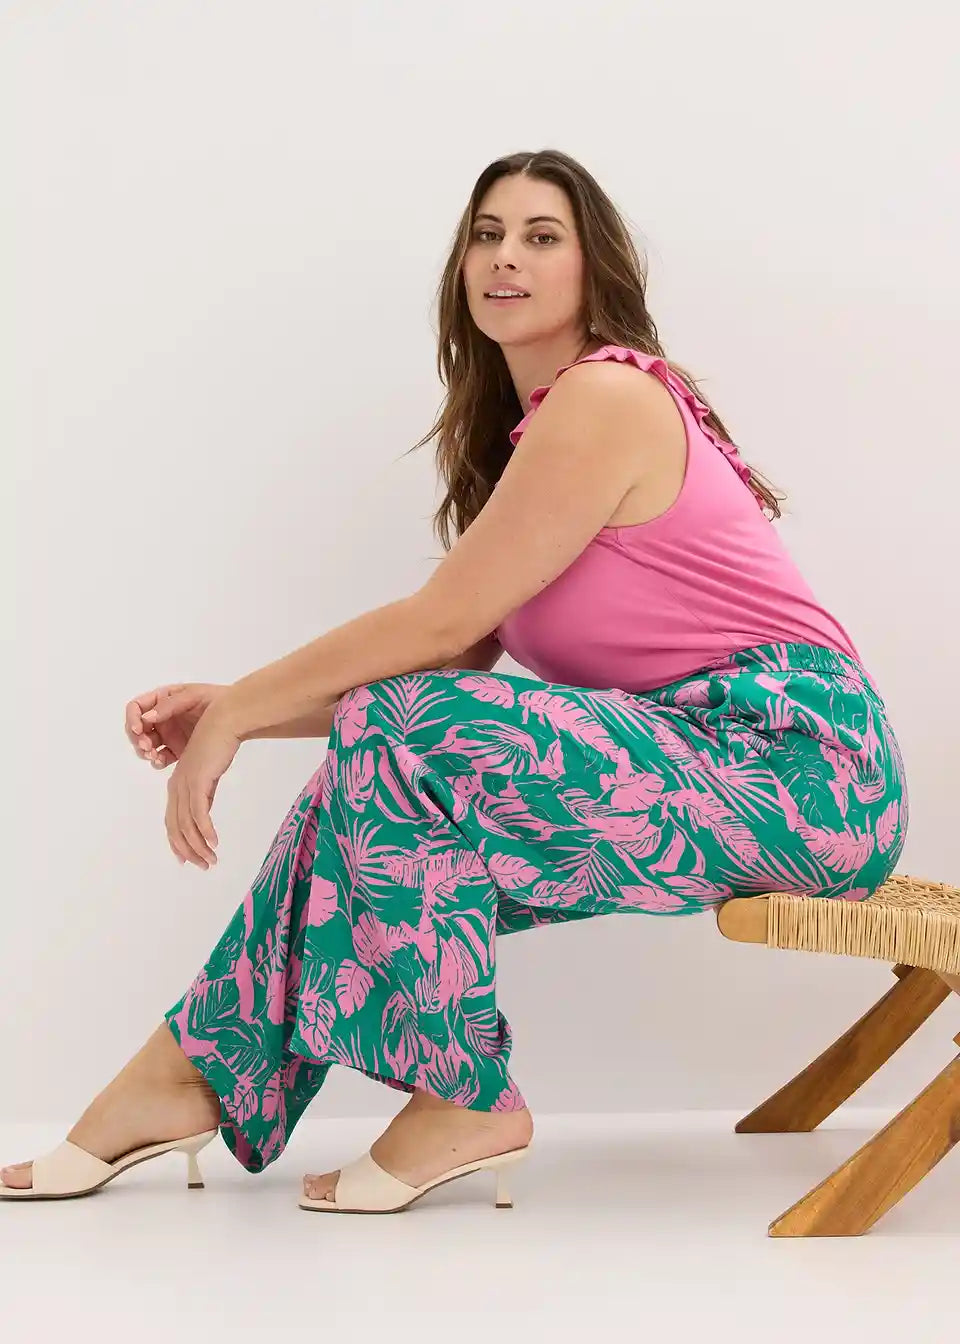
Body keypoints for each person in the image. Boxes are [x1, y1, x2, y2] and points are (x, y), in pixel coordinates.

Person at [1, 148, 908, 1214]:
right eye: (487, 234)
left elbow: (435, 627)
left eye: (540, 236)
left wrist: (240, 709)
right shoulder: (535, 435)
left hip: (805, 768)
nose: (505, 257)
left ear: (594, 270)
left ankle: (456, 1094)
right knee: (360, 776)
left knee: (393, 730)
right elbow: (448, 658)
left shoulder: (607, 396)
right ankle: (184, 1074)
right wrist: (239, 711)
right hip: (700, 760)